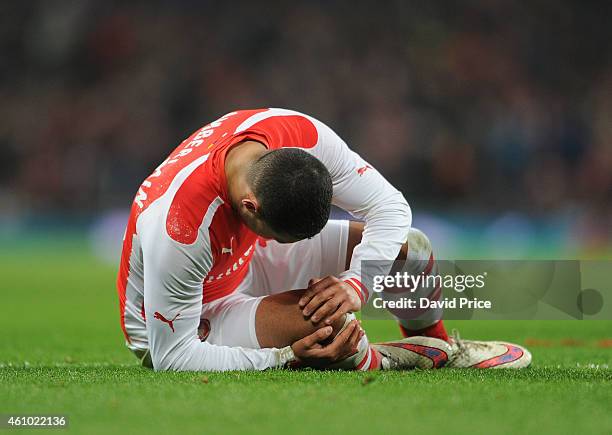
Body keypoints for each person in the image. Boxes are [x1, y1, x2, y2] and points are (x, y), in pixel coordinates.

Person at [116, 108, 531, 371]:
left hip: (244, 256)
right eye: (284, 238)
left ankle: (437, 348)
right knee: (331, 327)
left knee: (410, 248)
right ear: (251, 208)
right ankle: (380, 361)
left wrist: (356, 283)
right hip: (191, 313)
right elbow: (173, 357)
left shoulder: (298, 133)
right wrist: (284, 357)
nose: (288, 246)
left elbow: (390, 207)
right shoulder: (180, 227)